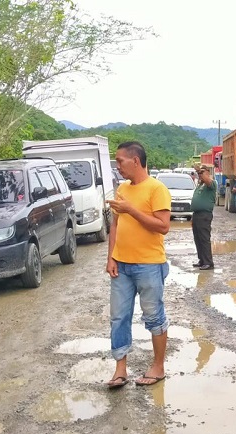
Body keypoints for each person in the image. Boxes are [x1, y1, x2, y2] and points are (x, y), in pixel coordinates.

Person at [104, 141, 172, 389]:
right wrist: (111, 257)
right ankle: (120, 370)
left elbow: (163, 226)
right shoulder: (122, 188)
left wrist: (131, 210)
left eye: (120, 161)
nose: (118, 166)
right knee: (119, 317)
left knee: (154, 316)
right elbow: (115, 225)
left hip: (149, 265)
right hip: (121, 265)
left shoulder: (157, 188)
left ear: (135, 160)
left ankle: (158, 366)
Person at [191, 164, 217, 270]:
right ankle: (202, 260)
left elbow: (208, 180)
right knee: (197, 239)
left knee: (204, 239)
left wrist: (200, 171)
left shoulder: (211, 184)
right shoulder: (200, 185)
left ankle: (208, 262)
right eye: (199, 173)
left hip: (204, 215)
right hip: (197, 214)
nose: (200, 175)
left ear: (207, 173)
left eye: (202, 172)